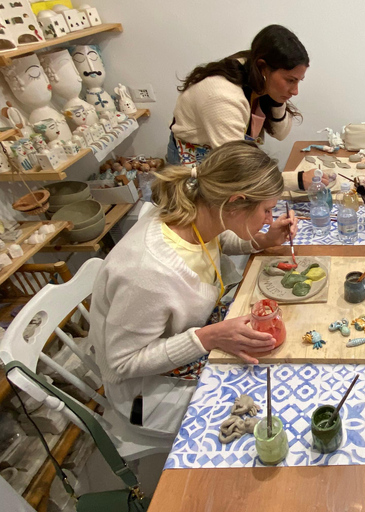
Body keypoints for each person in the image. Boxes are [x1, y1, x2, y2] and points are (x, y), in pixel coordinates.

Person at [90, 140, 298, 435]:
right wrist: (207, 337)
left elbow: (215, 241)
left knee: (278, 371)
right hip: (145, 393)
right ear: (235, 202)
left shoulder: (198, 209)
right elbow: (122, 362)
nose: (269, 219)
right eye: (267, 210)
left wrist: (262, 240)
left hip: (194, 337)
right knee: (263, 412)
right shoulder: (149, 271)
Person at [167, 24, 329, 191]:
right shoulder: (222, 95)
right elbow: (238, 169)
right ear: (262, 67)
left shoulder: (258, 78)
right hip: (198, 161)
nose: (295, 91)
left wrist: (278, 100)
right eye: (290, 80)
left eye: (298, 81)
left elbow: (280, 133)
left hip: (228, 159)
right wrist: (298, 180)